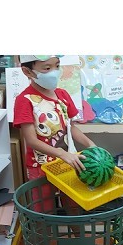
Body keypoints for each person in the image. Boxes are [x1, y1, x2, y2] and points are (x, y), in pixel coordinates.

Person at [13, 55, 96, 212]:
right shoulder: (24, 100)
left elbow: (71, 127)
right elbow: (31, 140)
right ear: (27, 71)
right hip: (41, 168)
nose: (54, 72)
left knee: (73, 207)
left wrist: (91, 145)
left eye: (57, 66)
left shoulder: (62, 95)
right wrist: (61, 153)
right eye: (47, 68)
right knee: (44, 211)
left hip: (68, 163)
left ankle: (75, 229)